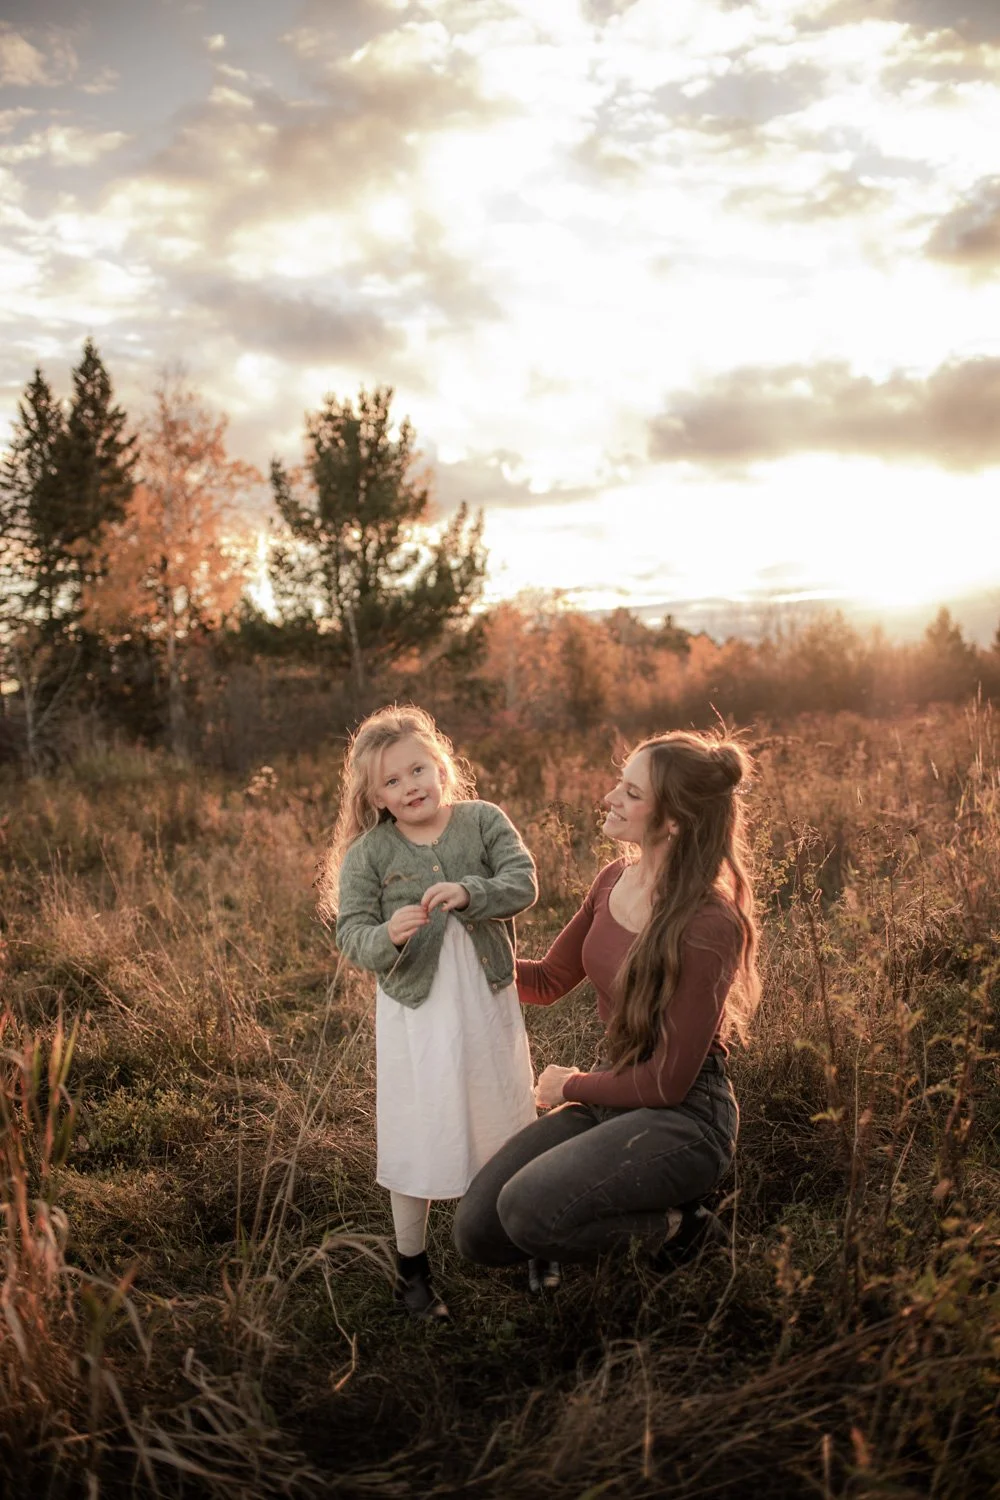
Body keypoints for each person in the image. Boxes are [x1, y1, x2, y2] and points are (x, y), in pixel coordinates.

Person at [453, 729, 760, 1272]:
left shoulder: (710, 923)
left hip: (683, 1118)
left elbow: (667, 1083)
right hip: (611, 1096)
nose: (609, 799)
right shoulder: (614, 877)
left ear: (673, 820)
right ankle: (615, 1211)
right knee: (479, 1230)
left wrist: (568, 1085)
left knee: (527, 1211)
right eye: (620, 784)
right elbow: (548, 980)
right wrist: (459, 948)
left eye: (632, 793)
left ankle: (684, 1232)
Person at [320, 705, 545, 1320]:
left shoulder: (482, 821)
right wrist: (387, 934)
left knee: (505, 1111)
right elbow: (351, 935)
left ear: (442, 766)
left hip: (485, 1000)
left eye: (418, 769)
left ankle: (531, 1240)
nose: (410, 786)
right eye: (392, 781)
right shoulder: (369, 853)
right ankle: (412, 1271)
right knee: (421, 1129)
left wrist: (474, 892)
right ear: (374, 795)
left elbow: (523, 882)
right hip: (416, 1014)